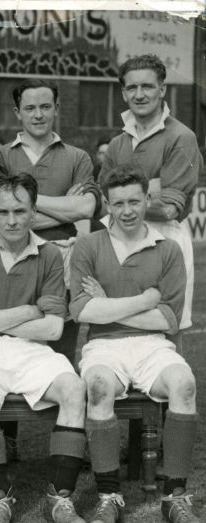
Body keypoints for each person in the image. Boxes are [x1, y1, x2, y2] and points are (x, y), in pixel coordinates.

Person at [0, 173, 88, 523]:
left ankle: (59, 498)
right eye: (3, 212)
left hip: (33, 349)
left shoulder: (49, 254)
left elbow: (54, 330)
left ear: (33, 212)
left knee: (74, 389)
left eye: (20, 211)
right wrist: (27, 312)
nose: (11, 220)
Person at [70, 164, 202, 523]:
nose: (126, 211)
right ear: (106, 207)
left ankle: (174, 496)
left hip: (152, 347)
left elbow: (168, 320)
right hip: (103, 345)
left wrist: (109, 302)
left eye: (134, 201)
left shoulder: (168, 248)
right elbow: (82, 310)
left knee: (184, 384)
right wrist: (145, 300)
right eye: (117, 204)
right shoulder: (88, 244)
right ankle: (109, 496)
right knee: (97, 387)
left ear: (148, 199)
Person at [0, 79, 100, 366]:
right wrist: (63, 205)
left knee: (61, 351)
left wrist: (25, 201)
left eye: (45, 106)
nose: (38, 114)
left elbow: (86, 207)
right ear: (18, 112)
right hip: (13, 259)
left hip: (63, 257)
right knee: (13, 348)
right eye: (30, 108)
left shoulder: (77, 157)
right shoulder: (1, 156)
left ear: (56, 108)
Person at [100, 54, 201, 332]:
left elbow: (169, 208)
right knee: (118, 324)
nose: (139, 94)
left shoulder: (181, 137)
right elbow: (102, 199)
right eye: (132, 88)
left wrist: (122, 198)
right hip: (120, 240)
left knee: (165, 327)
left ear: (162, 89)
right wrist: (152, 186)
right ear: (123, 92)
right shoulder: (117, 143)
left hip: (163, 239)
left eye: (147, 86)